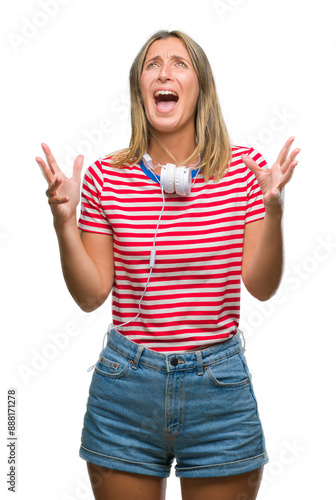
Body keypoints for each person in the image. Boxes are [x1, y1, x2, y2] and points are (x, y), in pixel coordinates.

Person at [36, 30, 300, 500]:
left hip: (218, 389)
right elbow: (91, 294)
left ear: (202, 86)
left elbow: (261, 286)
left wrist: (275, 212)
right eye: (152, 64)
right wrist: (63, 225)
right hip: (125, 389)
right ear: (140, 88)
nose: (164, 72)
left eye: (180, 63)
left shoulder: (246, 171)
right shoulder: (103, 177)